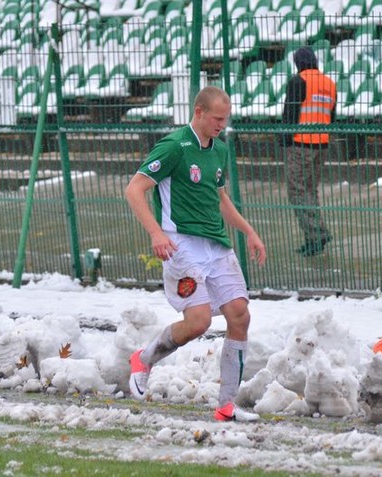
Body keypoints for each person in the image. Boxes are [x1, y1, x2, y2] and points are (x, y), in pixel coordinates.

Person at [124, 85, 266, 422]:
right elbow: (134, 189)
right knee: (199, 322)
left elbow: (220, 199)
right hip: (181, 244)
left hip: (215, 244)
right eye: (217, 119)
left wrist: (248, 231)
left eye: (225, 120)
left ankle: (226, 405)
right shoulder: (174, 146)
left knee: (240, 315)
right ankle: (144, 358)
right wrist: (156, 232)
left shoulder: (218, 151)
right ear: (199, 112)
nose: (222, 125)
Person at [281, 46, 337, 257]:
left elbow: (290, 113)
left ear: (298, 63)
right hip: (321, 145)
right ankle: (316, 235)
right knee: (310, 191)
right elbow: (332, 117)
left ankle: (315, 236)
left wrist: (285, 142)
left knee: (297, 192)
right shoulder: (329, 83)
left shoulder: (298, 81)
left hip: (300, 145)